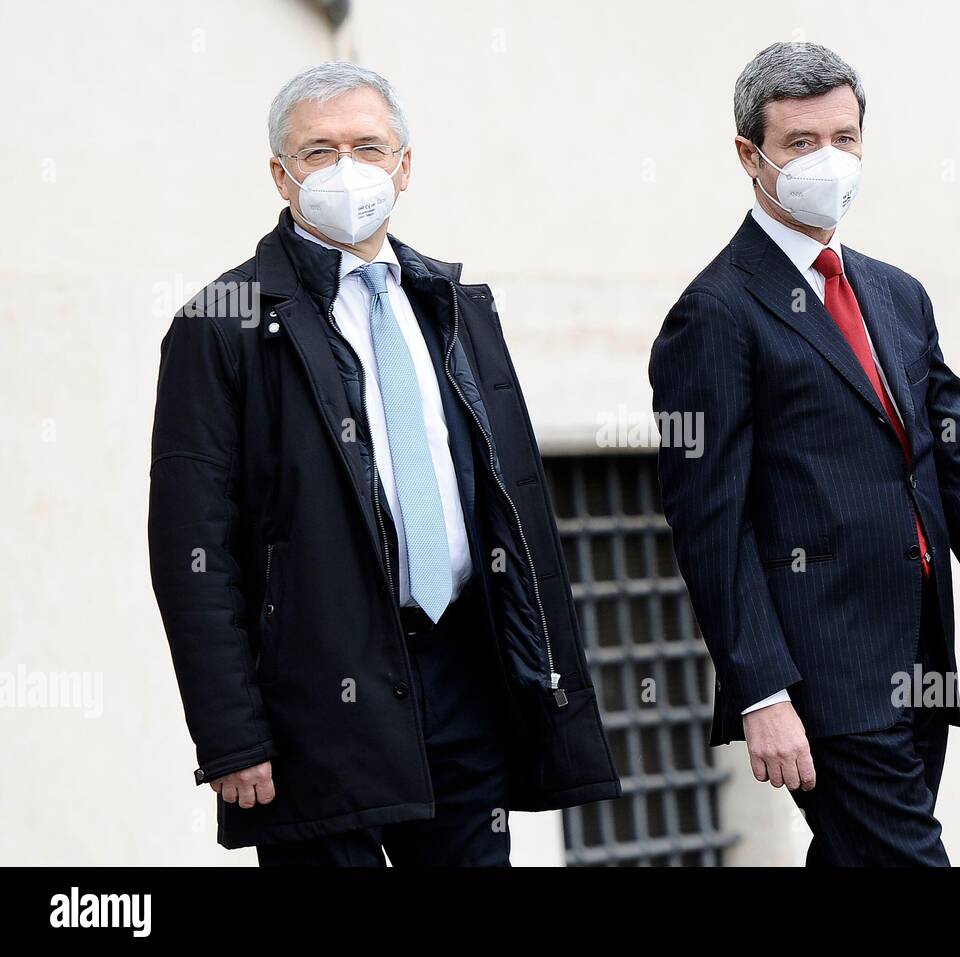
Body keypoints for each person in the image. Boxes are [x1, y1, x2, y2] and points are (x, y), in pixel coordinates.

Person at [148, 61, 619, 866]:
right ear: (280, 174)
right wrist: (231, 735)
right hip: (314, 706)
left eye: (368, 147)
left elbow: (519, 504)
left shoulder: (457, 306)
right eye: (319, 151)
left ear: (404, 165)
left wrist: (550, 681)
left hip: (464, 675)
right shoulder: (218, 326)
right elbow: (192, 552)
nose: (346, 170)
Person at [649, 42, 960, 866]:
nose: (829, 160)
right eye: (801, 142)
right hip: (826, 682)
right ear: (751, 156)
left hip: (922, 661)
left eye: (844, 138)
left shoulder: (896, 293)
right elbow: (710, 524)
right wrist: (762, 691)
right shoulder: (713, 314)